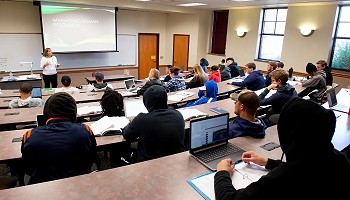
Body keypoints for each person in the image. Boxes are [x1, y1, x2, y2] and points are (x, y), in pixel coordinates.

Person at [214, 97, 350, 200]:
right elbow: (305, 165)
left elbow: (228, 198)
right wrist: (267, 161)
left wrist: (222, 173)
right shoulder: (338, 159)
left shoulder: (285, 178)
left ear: (290, 132)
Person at [21, 92, 97, 185]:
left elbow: (28, 166)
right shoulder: (85, 130)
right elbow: (92, 155)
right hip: (80, 183)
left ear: (46, 111)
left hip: (43, 188)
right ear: (74, 111)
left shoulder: (29, 135)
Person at [122, 85, 185, 162]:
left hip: (150, 164)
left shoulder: (142, 119)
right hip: (176, 161)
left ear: (146, 102)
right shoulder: (178, 115)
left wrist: (132, 122)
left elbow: (127, 135)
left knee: (119, 152)